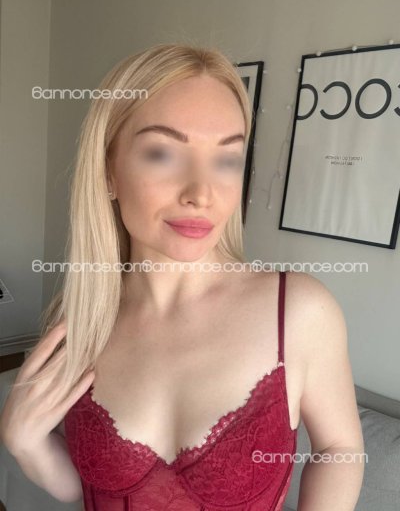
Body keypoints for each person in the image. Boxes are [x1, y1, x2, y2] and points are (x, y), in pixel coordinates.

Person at [0, 43, 364, 510]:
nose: (201, 193)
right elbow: (89, 488)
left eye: (226, 159)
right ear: (108, 171)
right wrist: (26, 446)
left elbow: (339, 449)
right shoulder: (83, 324)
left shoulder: (298, 311)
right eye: (163, 154)